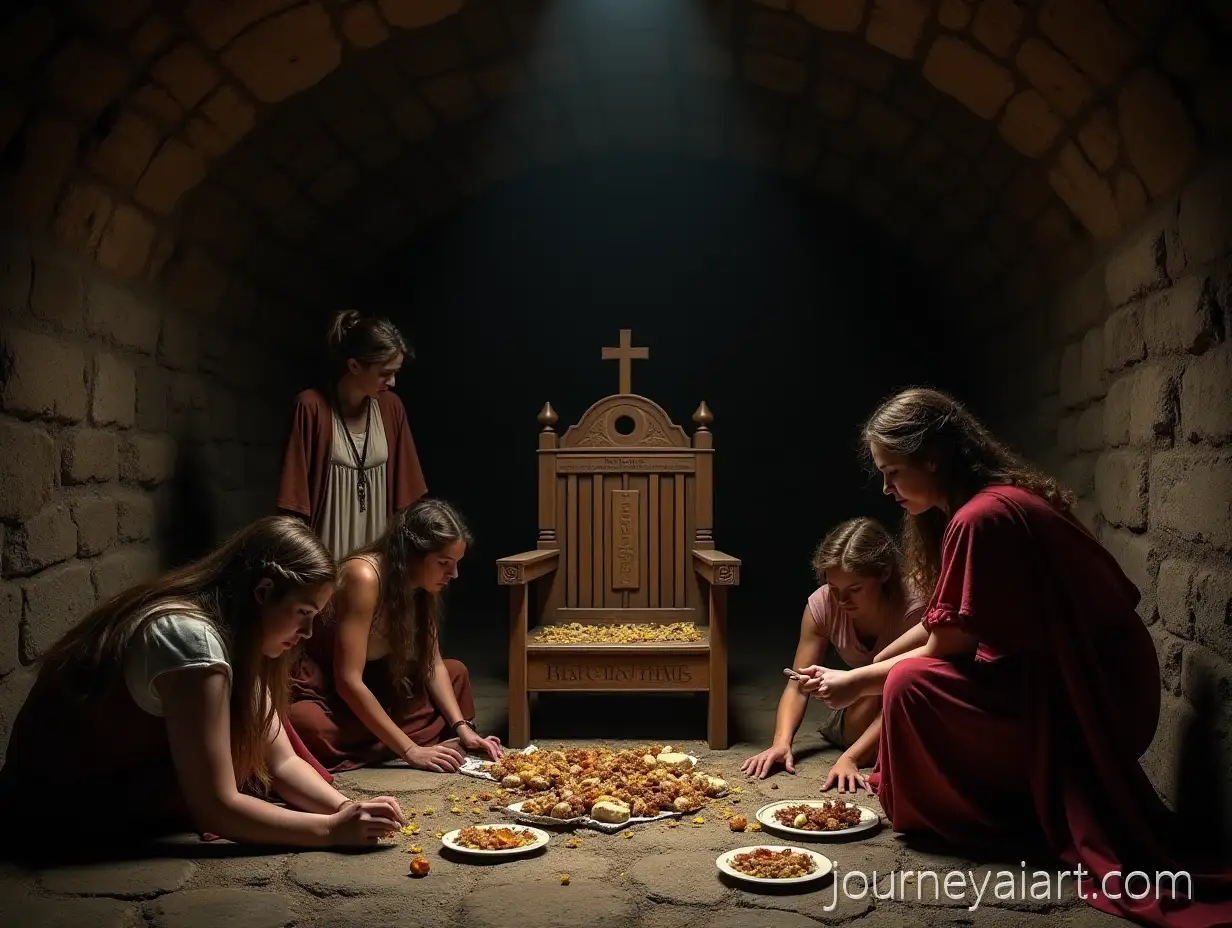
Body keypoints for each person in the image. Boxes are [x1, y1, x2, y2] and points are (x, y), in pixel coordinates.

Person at [803, 386, 1232, 927]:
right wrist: (858, 672)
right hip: (1086, 678)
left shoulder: (979, 519)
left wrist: (856, 683)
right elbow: (945, 618)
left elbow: (944, 647)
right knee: (904, 676)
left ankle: (991, 818)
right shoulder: (979, 504)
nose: (886, 488)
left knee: (909, 686)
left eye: (892, 472)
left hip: (1100, 696)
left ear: (932, 457)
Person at [0, 516, 408, 858]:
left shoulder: (243, 638)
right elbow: (216, 807)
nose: (307, 632)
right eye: (302, 613)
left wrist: (347, 808)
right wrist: (331, 832)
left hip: (124, 776)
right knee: (231, 763)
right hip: (61, 799)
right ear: (263, 592)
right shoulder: (190, 641)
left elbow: (281, 761)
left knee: (241, 748)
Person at [289, 498, 501, 773]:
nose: (454, 574)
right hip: (334, 692)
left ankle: (389, 739)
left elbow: (431, 663)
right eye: (444, 562)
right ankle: (405, 742)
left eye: (456, 563)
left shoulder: (422, 587)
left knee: (455, 673)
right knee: (306, 723)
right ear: (413, 554)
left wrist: (461, 727)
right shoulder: (364, 576)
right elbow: (348, 680)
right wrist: (411, 751)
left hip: (383, 685)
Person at [740, 518, 924, 790]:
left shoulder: (913, 609)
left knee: (893, 684)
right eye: (834, 588)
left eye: (854, 589)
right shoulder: (823, 604)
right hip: (857, 709)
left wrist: (849, 759)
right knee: (872, 694)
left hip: (909, 705)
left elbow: (904, 693)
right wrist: (780, 743)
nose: (841, 601)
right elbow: (797, 685)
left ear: (884, 573)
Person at [277, 309, 428, 562]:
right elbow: (293, 501)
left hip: (377, 561)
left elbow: (407, 496)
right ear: (354, 366)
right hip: (325, 559)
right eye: (384, 373)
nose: (391, 382)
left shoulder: (391, 408)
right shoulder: (311, 407)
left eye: (395, 373)